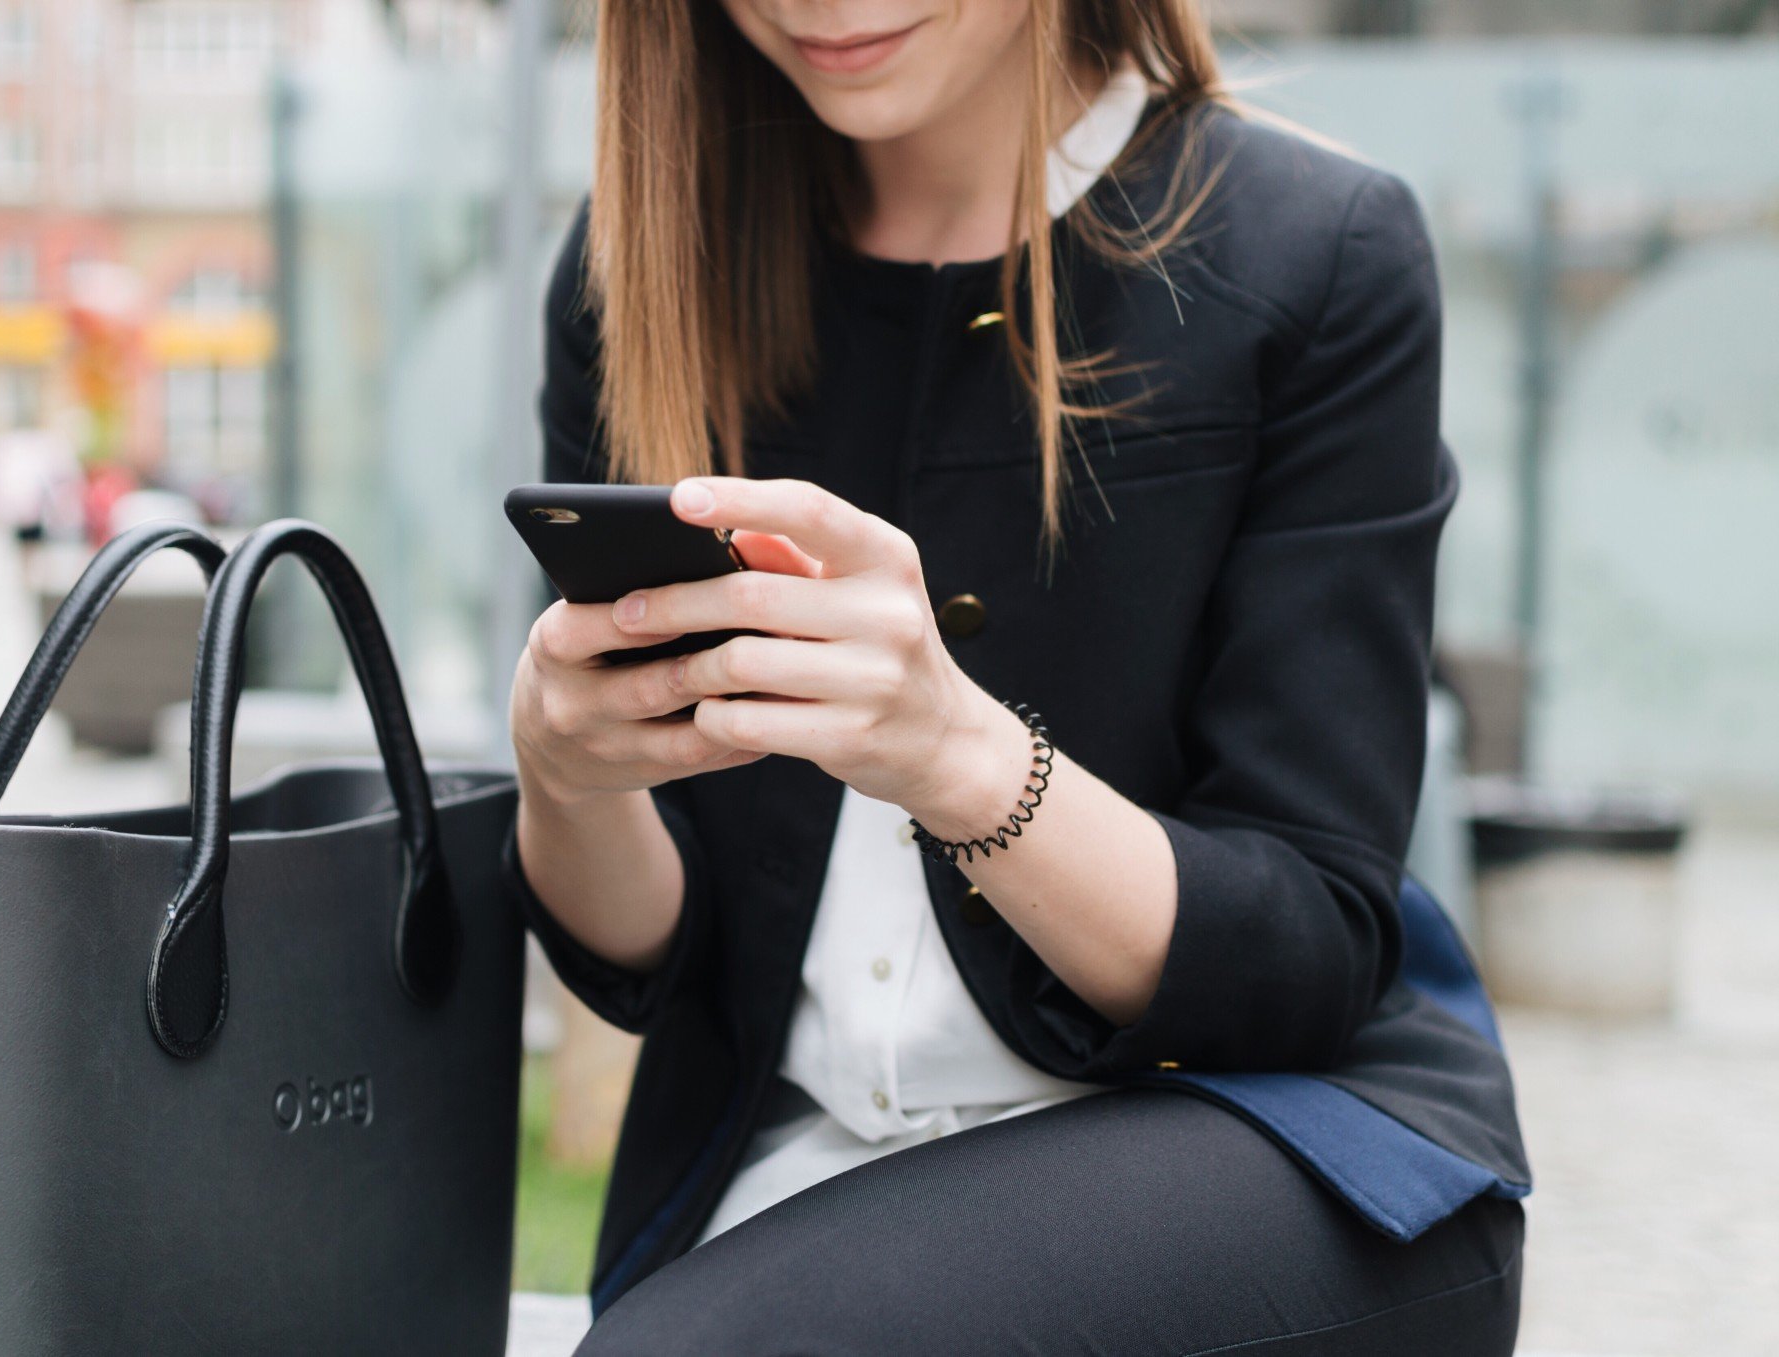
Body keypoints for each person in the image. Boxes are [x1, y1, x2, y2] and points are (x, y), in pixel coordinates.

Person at [502, 0, 1530, 1350]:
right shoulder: (637, 270)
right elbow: (656, 955)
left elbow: (1305, 952)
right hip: (804, 1173)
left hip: (1257, 1137)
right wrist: (566, 775)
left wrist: (954, 754)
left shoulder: (1312, 251)